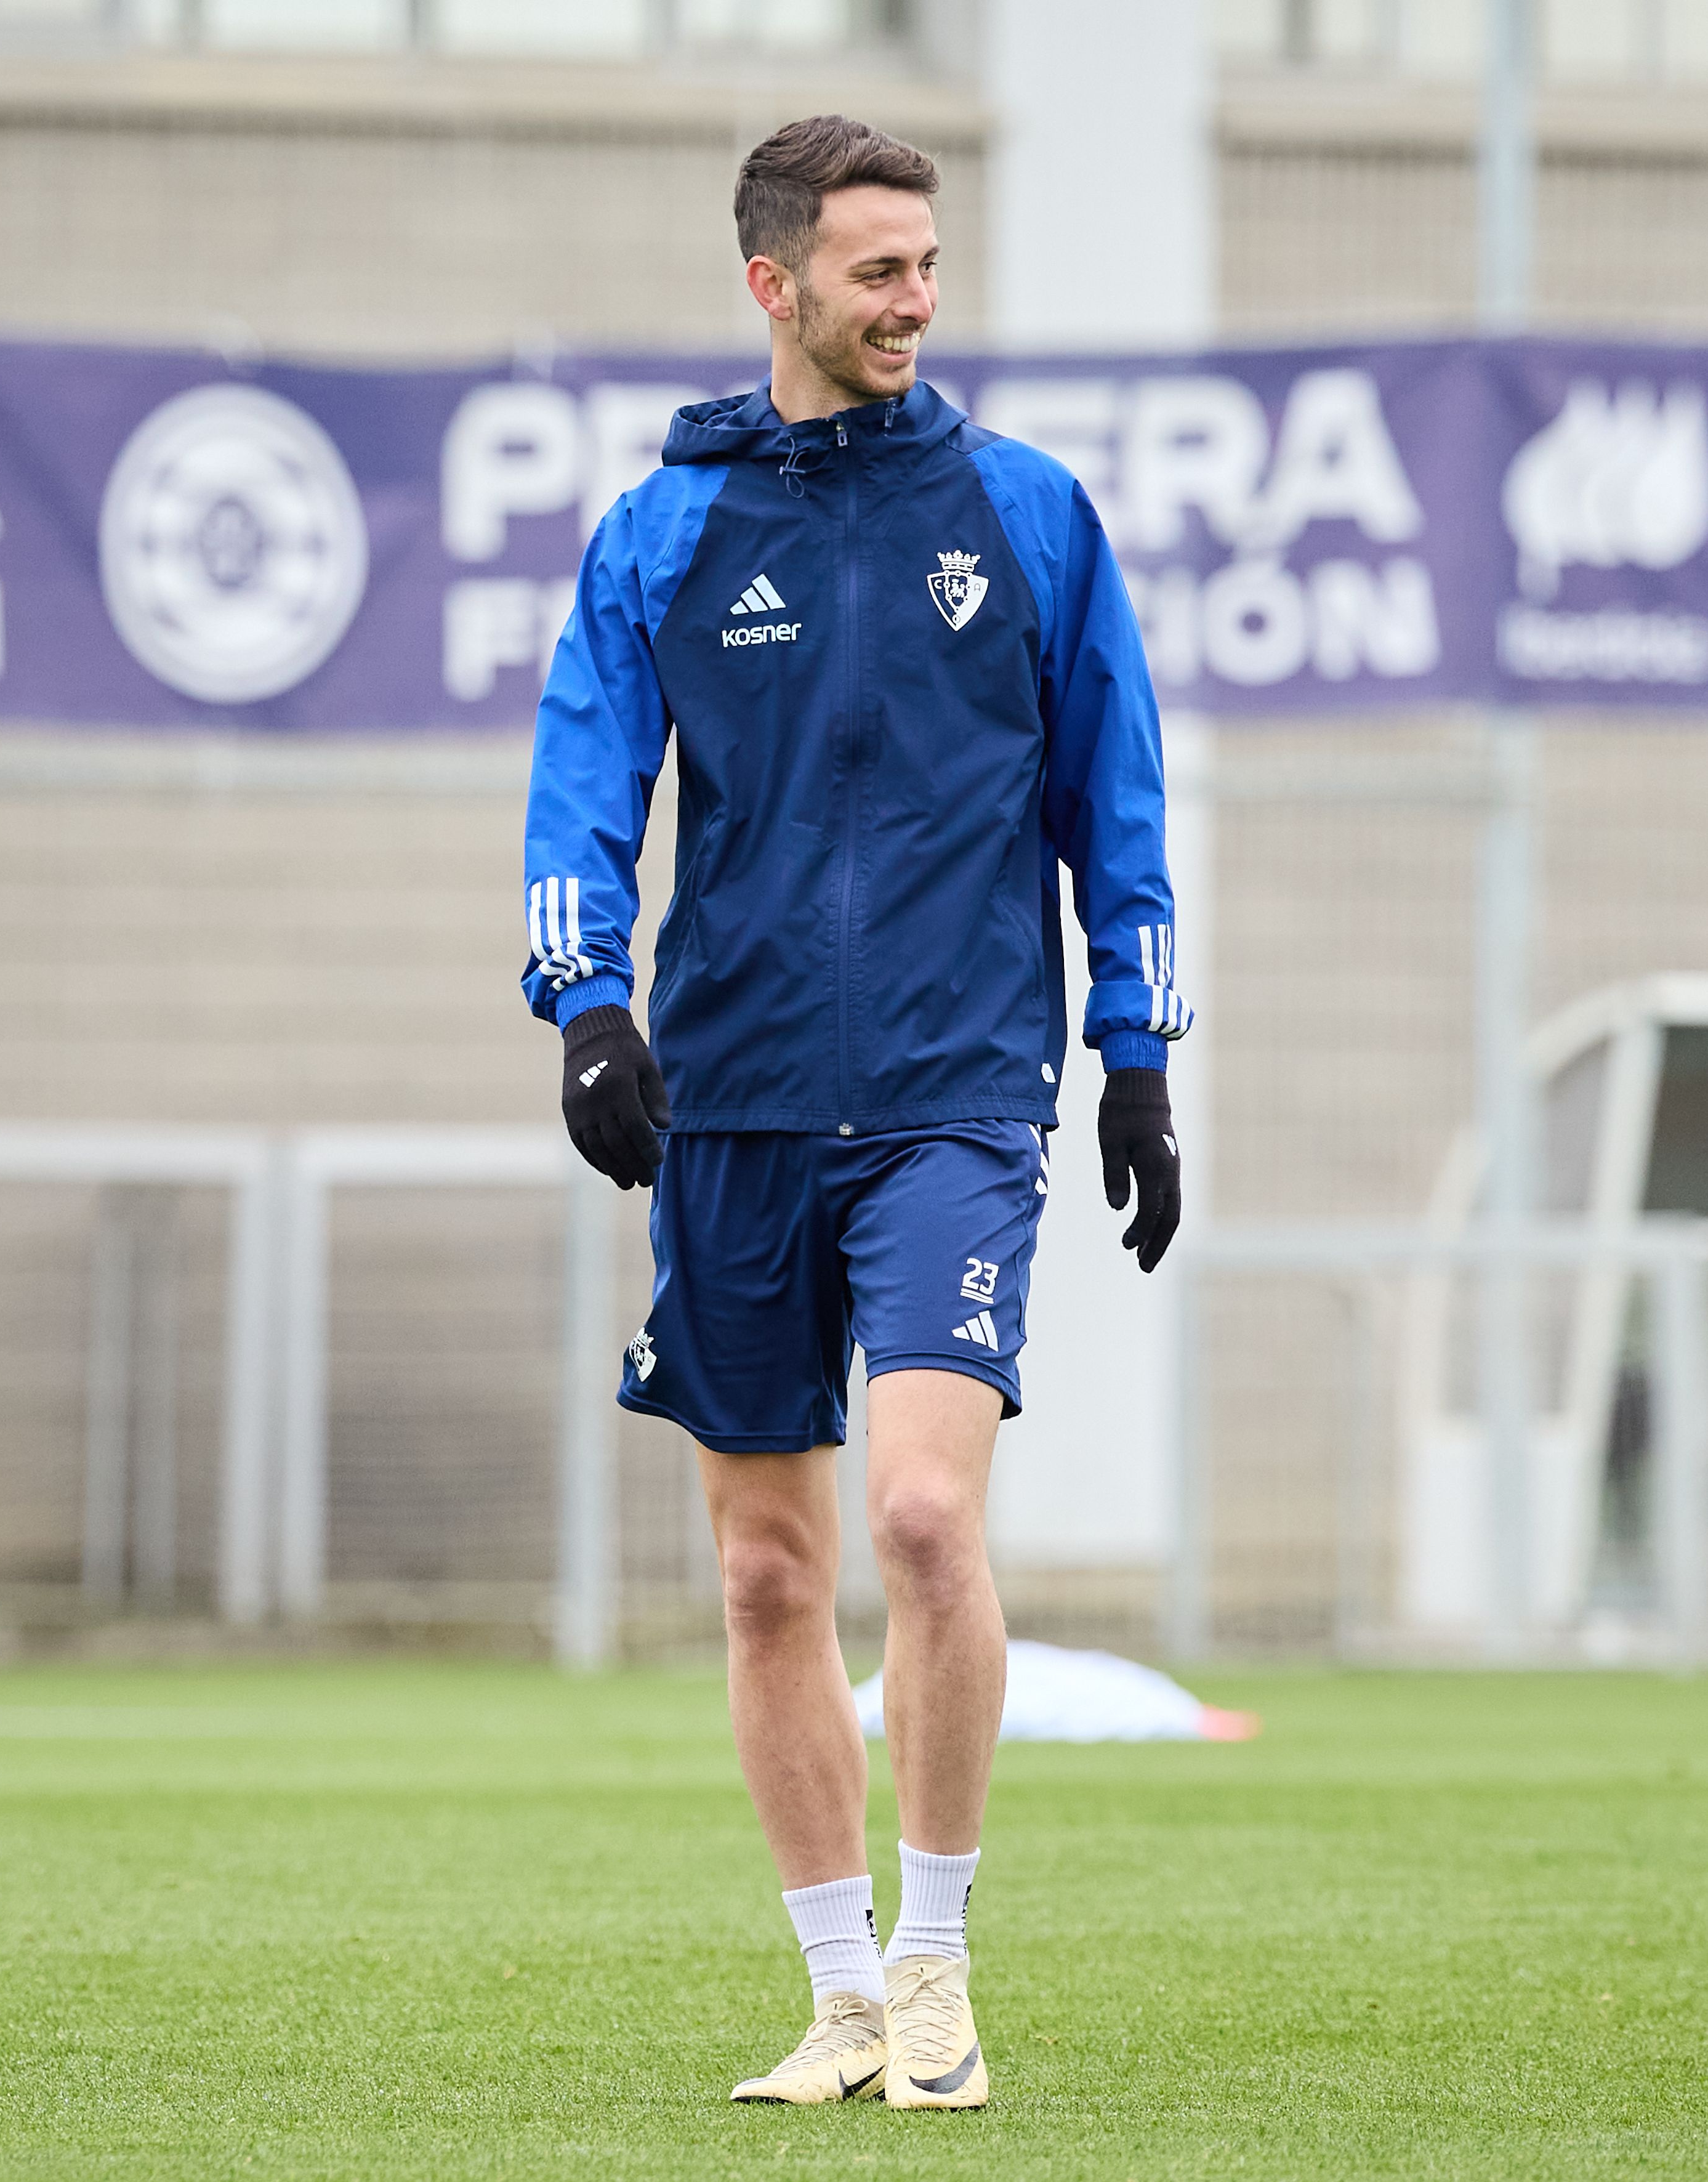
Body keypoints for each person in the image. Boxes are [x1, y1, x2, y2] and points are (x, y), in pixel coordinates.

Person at [522, 112, 1188, 2112]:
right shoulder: (662, 531)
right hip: (731, 1095)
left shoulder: (1031, 513)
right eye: (876, 270)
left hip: (952, 1089)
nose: (914, 301)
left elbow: (1114, 807)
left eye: (926, 265)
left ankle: (935, 1963)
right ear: (775, 286)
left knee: (915, 1509)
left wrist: (1136, 1050)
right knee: (762, 1573)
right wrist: (585, 1006)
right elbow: (581, 789)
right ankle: (833, 1996)